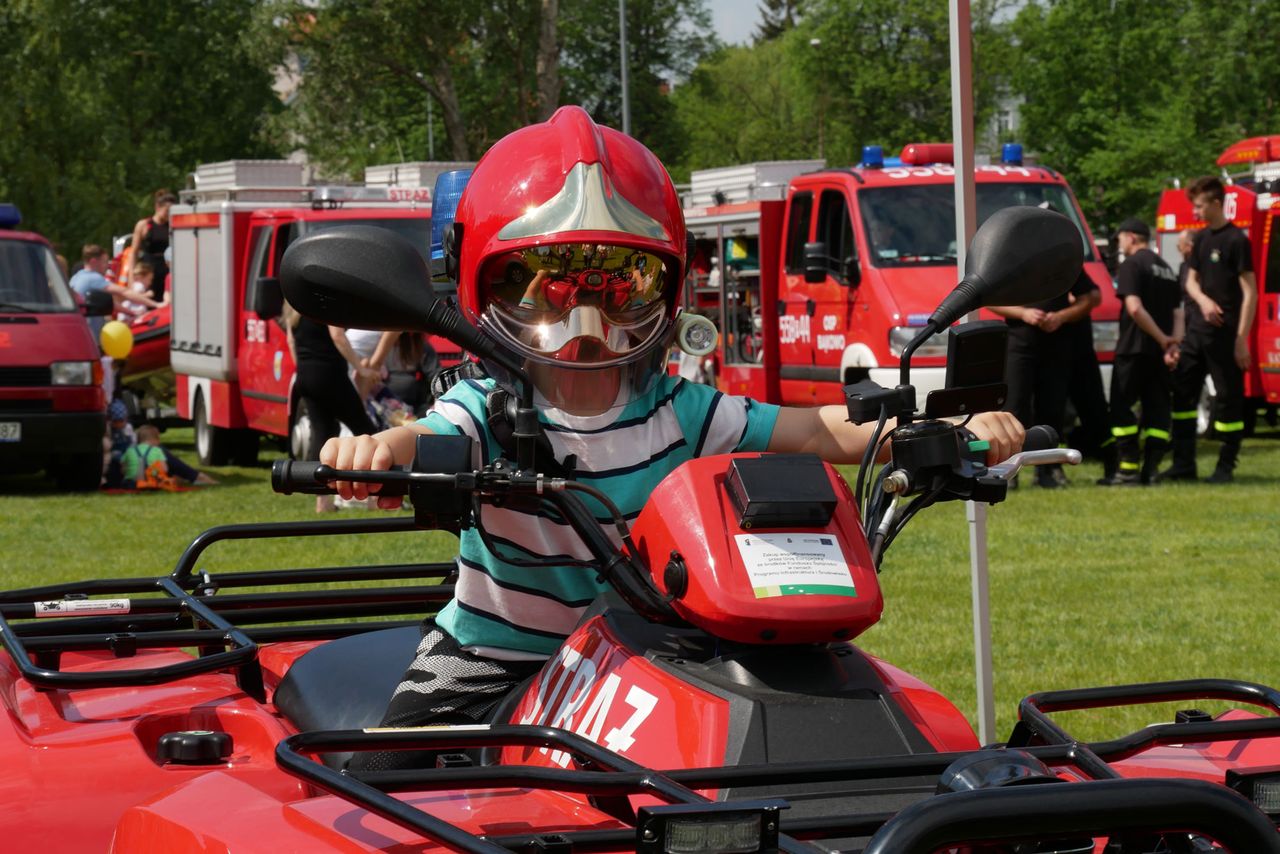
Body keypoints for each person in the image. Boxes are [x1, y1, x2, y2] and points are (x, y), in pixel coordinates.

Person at [317, 107, 1024, 770]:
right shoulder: (489, 406)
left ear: (669, 287)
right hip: (496, 651)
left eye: (624, 288)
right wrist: (377, 452)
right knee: (388, 778)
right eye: (545, 291)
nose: (587, 323)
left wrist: (943, 430)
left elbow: (814, 429)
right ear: (483, 290)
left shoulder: (681, 409)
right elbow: (426, 436)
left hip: (642, 655)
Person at [1165, 177, 1257, 483]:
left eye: (1200, 206)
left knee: (1229, 401)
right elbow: (1191, 281)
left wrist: (1241, 340)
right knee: (1182, 393)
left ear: (1216, 204)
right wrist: (1203, 301)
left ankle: (1225, 467)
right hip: (1196, 334)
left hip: (1225, 335)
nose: (1197, 212)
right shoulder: (1202, 239)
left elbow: (1250, 293)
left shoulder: (1236, 241)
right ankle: (1183, 464)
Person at [990, 269, 1100, 488]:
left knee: (1052, 408)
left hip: (1057, 345)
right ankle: (1008, 470)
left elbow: (1091, 298)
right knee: (1014, 407)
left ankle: (1048, 470)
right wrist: (1023, 314)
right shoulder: (1013, 261)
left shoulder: (1062, 262)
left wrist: (1061, 316)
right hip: (1019, 345)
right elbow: (990, 299)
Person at [1099, 218, 1182, 485]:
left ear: (1132, 237)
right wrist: (1172, 344)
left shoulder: (1132, 265)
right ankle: (1152, 469)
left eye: (1120, 238)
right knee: (1158, 408)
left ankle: (1128, 468)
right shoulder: (1166, 268)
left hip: (1134, 349)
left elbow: (1134, 308)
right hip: (1159, 354)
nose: (1119, 244)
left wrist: (1160, 339)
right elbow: (1179, 313)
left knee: (1122, 407)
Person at [283, 303, 380, 512]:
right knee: (366, 430)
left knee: (323, 433)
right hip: (330, 375)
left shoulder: (294, 306)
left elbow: (290, 340)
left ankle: (322, 502)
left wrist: (304, 367)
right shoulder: (323, 305)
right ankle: (376, 495)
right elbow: (337, 336)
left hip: (305, 376)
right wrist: (361, 368)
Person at [130, 190, 177, 303]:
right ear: (157, 207)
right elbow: (133, 252)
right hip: (148, 272)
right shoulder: (144, 225)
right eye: (167, 211)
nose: (169, 214)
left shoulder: (172, 226)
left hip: (167, 270)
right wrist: (131, 278)